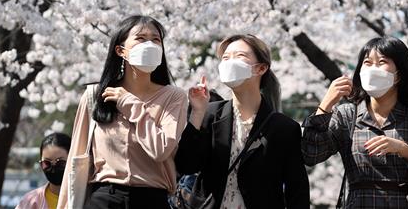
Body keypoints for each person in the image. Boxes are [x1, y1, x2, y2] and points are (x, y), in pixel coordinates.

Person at [57, 15, 188, 209]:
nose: (149, 45)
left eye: (156, 40)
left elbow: (160, 150)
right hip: (104, 199)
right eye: (141, 38)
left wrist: (130, 104)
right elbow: (76, 158)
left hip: (151, 199)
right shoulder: (95, 96)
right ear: (120, 50)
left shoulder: (174, 97)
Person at [301, 36, 408, 208]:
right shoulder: (347, 115)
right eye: (367, 62)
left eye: (382, 62)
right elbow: (310, 154)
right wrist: (325, 105)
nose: (373, 68)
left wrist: (403, 149)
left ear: (399, 75)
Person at [175, 34, 310, 209]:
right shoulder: (210, 113)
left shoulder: (284, 128)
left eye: (239, 56)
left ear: (261, 68)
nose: (230, 62)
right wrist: (197, 113)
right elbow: (186, 165)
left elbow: (297, 190)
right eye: (225, 58)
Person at [17, 132, 72, 209]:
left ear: (72, 161)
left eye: (60, 163)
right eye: (47, 163)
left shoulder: (85, 198)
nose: (53, 169)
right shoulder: (30, 201)